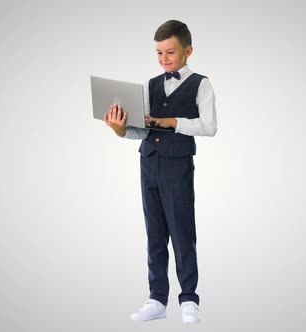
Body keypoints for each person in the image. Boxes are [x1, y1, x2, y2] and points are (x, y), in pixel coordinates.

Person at [103, 19, 217, 324]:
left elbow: (210, 126)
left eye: (169, 52)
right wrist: (120, 129)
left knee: (181, 231)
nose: (163, 59)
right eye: (158, 53)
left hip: (177, 164)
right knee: (154, 233)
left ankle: (189, 299)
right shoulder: (150, 84)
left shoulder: (200, 83)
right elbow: (141, 131)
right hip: (148, 163)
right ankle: (156, 298)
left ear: (188, 51)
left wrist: (172, 122)